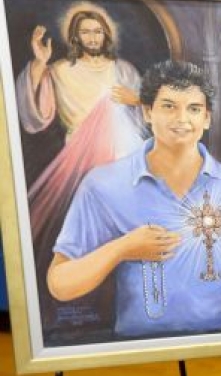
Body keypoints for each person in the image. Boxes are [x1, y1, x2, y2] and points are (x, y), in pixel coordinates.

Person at [47, 60, 221, 338]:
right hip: (136, 353)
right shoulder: (102, 185)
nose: (182, 119)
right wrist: (123, 248)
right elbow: (60, 284)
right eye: (168, 106)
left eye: (194, 108)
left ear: (207, 118)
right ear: (147, 112)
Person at [15, 4, 147, 333]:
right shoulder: (58, 71)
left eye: (97, 31)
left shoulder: (124, 69)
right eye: (85, 31)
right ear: (75, 36)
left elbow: (151, 117)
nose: (92, 37)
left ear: (106, 35)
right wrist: (39, 64)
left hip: (122, 159)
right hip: (78, 163)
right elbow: (35, 117)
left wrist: (139, 101)